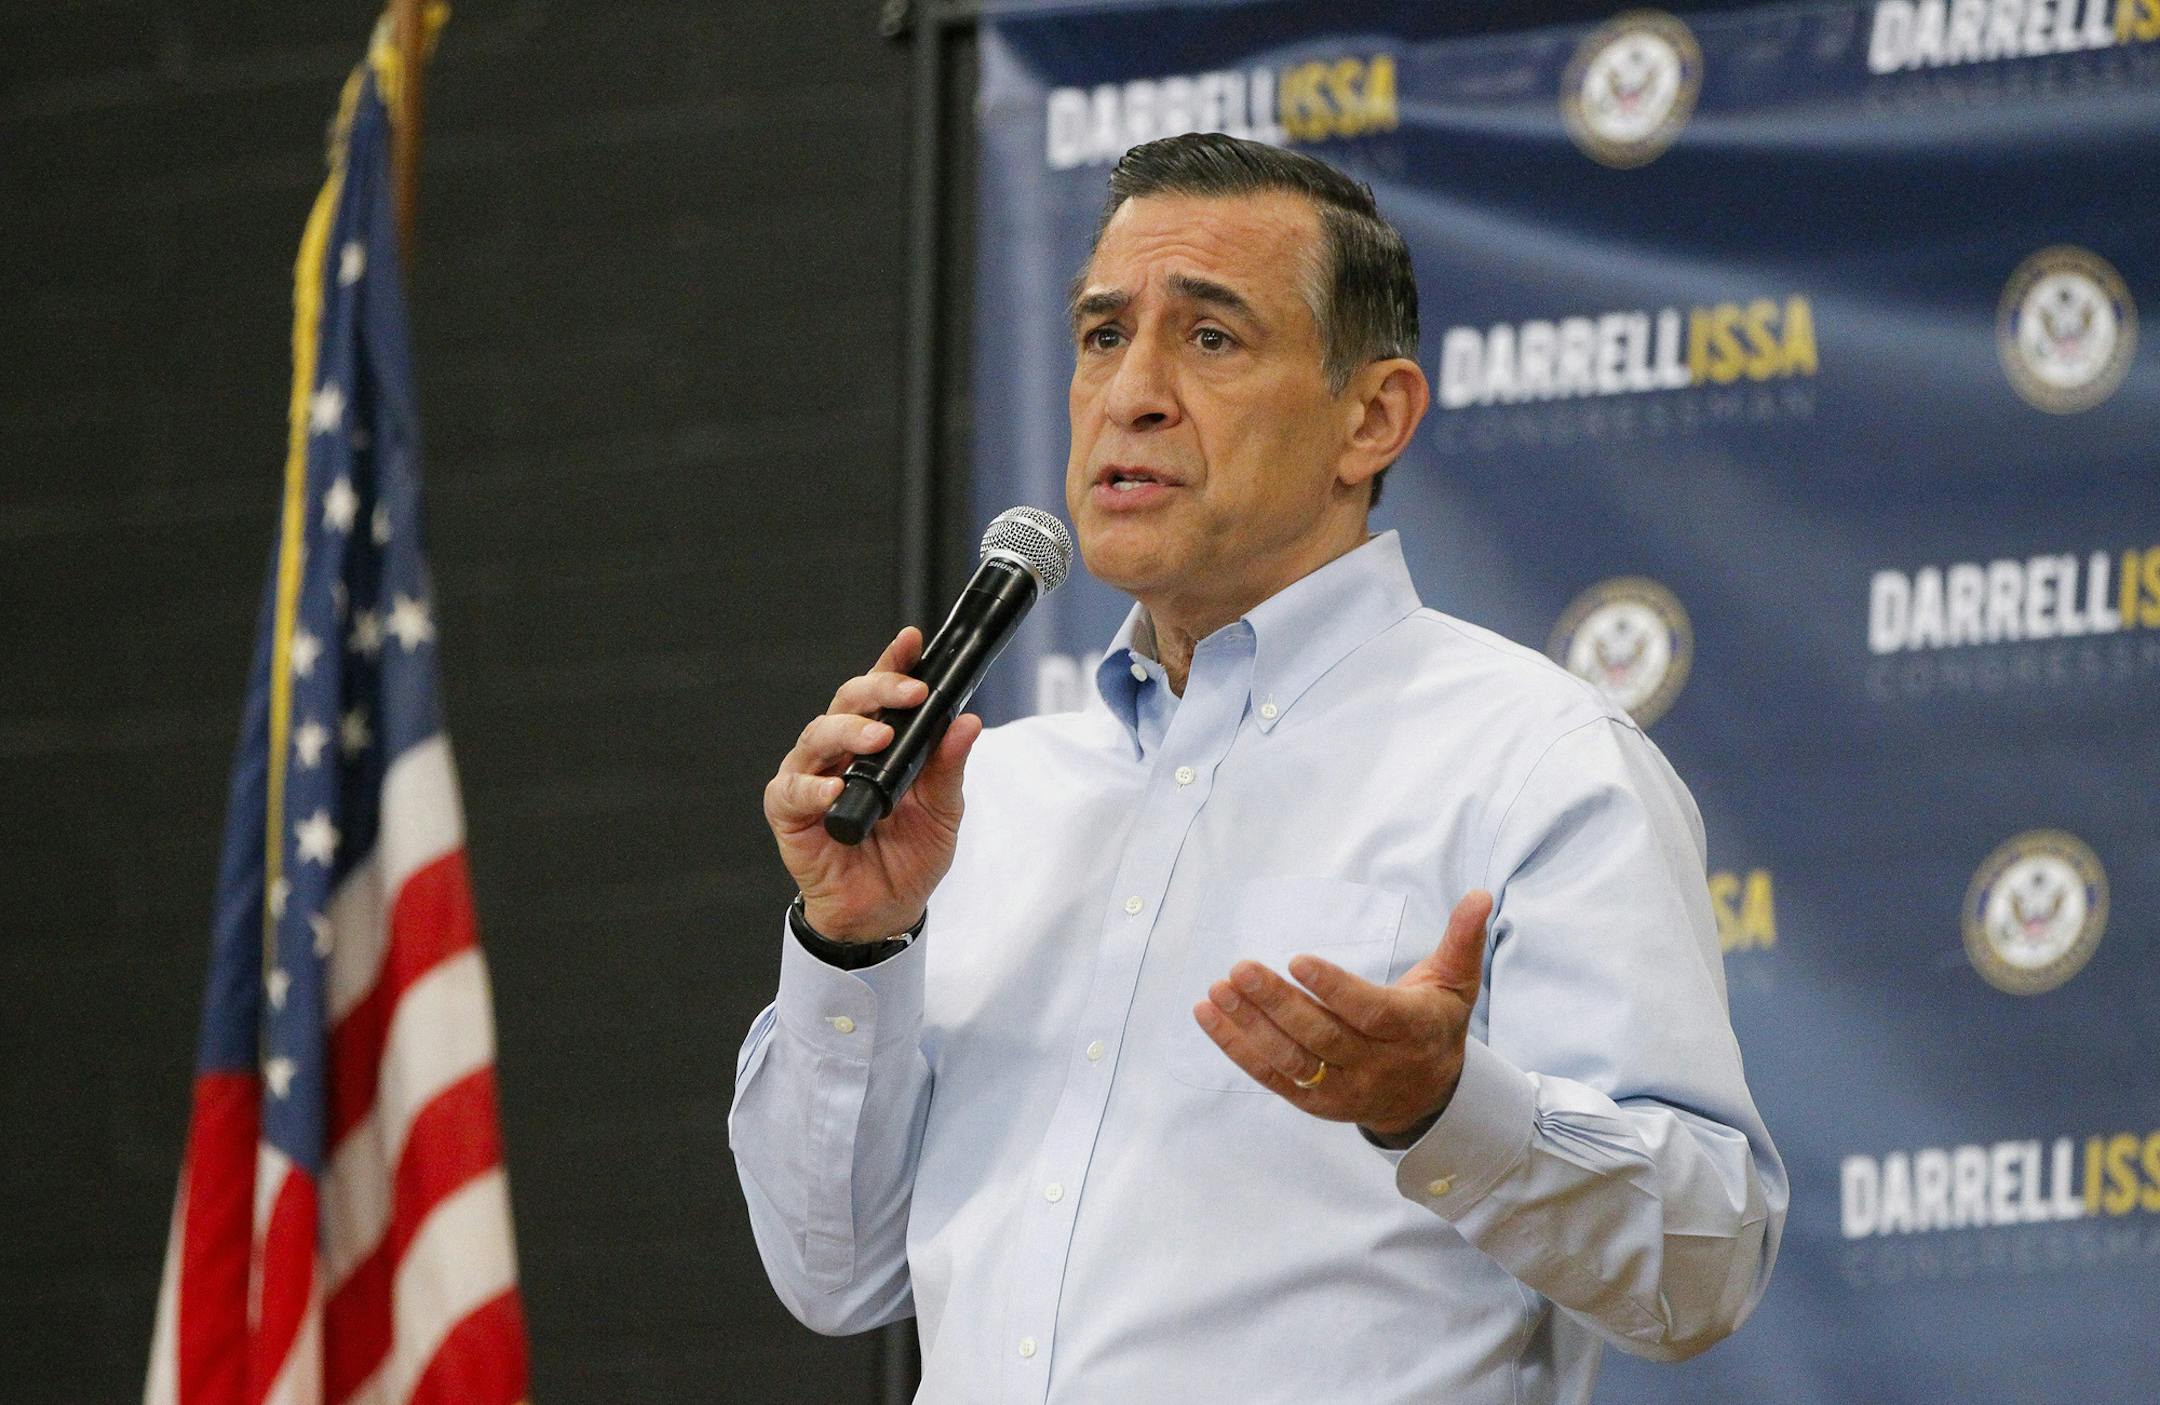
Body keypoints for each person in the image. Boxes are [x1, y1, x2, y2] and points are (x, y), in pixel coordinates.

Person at [731, 132, 1785, 1404]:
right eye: (1103, 334)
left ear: (1371, 417)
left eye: (1211, 337)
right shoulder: (987, 797)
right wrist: (853, 945)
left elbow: (1704, 1266)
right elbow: (833, 1274)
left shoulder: (1532, 761)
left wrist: (1447, 1106)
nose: (1132, 393)